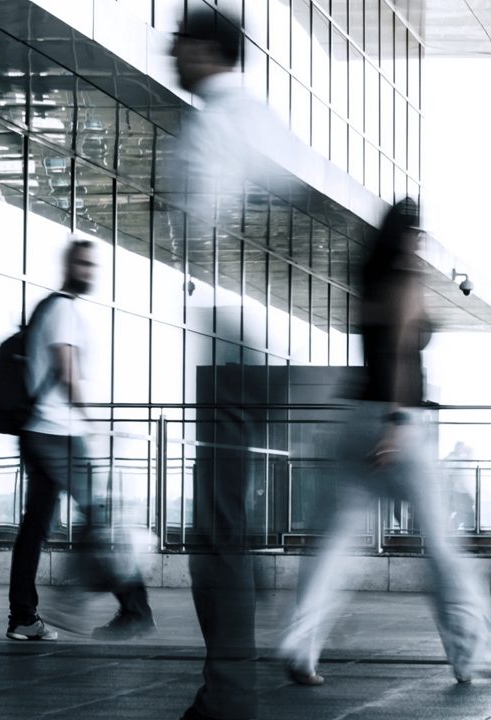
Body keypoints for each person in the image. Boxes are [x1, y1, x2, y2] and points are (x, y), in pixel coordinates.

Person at [277, 199, 491, 686]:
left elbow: (387, 343)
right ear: (405, 236)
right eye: (417, 233)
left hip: (356, 418)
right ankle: (471, 653)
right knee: (442, 545)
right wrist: (397, 424)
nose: (421, 242)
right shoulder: (402, 280)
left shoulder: (371, 278)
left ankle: (300, 644)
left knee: (335, 544)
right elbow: (400, 352)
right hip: (397, 426)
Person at [169, 8, 292, 719]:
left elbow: (217, 231)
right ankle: (226, 685)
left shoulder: (220, 121)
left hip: (227, 339)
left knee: (214, 531)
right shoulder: (250, 117)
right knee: (219, 528)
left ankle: (230, 693)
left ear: (209, 50)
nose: (170, 55)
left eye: (180, 45)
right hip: (244, 338)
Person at [6, 238, 154, 643]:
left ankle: (24, 616)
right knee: (101, 518)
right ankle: (131, 609)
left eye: (93, 265)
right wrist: (90, 421)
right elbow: (67, 371)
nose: (89, 271)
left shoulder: (50, 308)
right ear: (69, 266)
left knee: (35, 526)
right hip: (58, 432)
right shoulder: (64, 311)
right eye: (83, 264)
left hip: (41, 431)